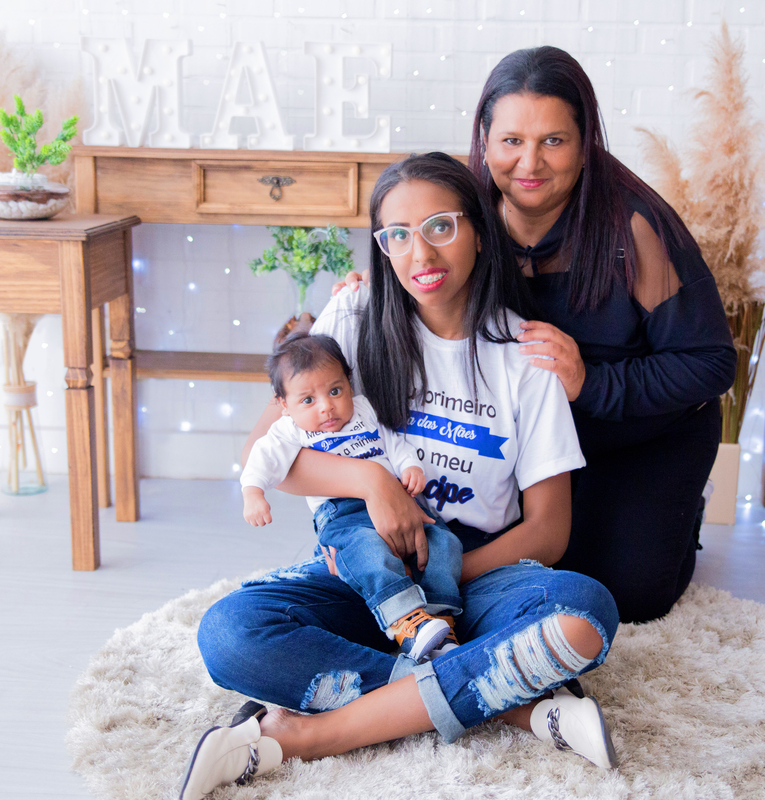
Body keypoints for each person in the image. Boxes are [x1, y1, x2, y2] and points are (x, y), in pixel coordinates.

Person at [181, 152, 620, 800]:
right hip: (369, 573)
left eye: (441, 226)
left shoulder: (523, 354)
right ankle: (514, 704)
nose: (422, 253)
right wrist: (374, 486)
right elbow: (264, 454)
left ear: (477, 228)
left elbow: (550, 532)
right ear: (380, 246)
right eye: (398, 235)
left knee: (587, 612)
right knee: (229, 634)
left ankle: (305, 736)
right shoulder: (354, 321)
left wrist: (437, 574)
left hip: (479, 576)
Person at [471, 46, 736, 624]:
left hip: (640, 437)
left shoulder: (634, 223)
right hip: (528, 447)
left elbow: (711, 363)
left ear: (585, 140)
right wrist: (374, 286)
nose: (530, 163)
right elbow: (413, 275)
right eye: (512, 140)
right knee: (505, 567)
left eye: (554, 141)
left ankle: (680, 517)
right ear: (485, 139)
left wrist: (588, 382)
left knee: (627, 597)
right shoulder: (464, 213)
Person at [240, 332, 461, 662]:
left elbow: (393, 442)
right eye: (308, 400)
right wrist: (253, 493)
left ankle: (441, 616)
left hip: (401, 502)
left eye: (334, 390)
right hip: (342, 512)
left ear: (348, 382)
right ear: (284, 405)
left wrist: (410, 465)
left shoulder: (363, 410)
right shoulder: (290, 431)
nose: (327, 406)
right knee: (366, 551)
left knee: (444, 543)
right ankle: (404, 621)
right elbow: (260, 459)